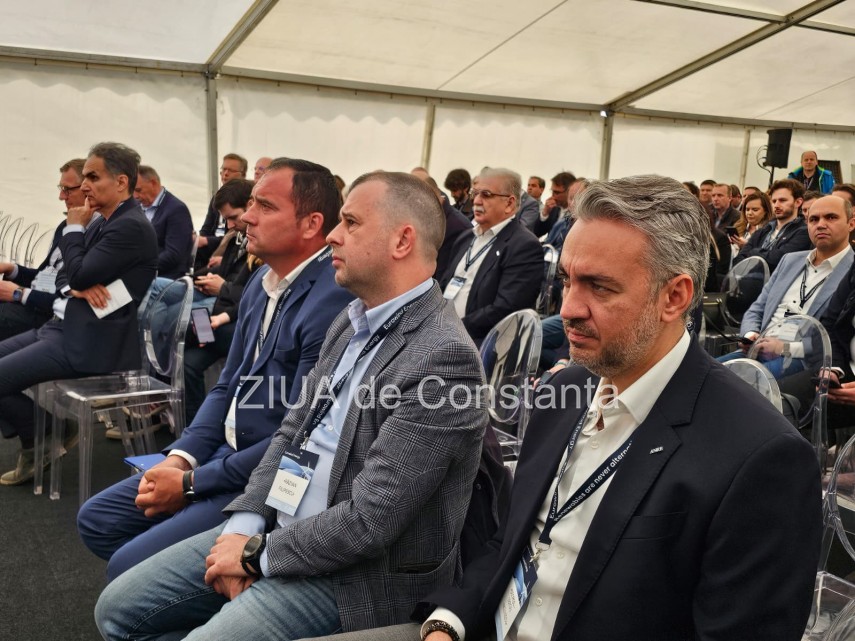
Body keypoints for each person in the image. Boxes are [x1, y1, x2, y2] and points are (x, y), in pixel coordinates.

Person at [412, 174, 821, 641]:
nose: (568, 308)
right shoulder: (563, 392)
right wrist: (448, 623)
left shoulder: (760, 458)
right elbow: (513, 543)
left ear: (674, 297)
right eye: (567, 281)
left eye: (599, 287)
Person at [95, 171, 489, 640]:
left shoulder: (444, 357)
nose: (334, 235)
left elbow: (370, 521)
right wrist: (243, 526)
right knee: (116, 609)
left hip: (355, 576)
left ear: (402, 240)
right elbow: (293, 432)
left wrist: (254, 556)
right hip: (281, 524)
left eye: (351, 222)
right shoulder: (353, 319)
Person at [78, 158, 354, 579]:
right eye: (251, 203)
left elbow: (301, 435)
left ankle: (191, 581)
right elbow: (228, 386)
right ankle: (182, 581)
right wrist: (182, 458)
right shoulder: (262, 285)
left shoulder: (332, 300)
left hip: (260, 475)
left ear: (311, 224)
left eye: (265, 206)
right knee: (97, 520)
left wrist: (193, 484)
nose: (247, 217)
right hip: (224, 453)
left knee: (126, 565)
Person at [0, 142, 158, 484]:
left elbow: (80, 273)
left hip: (90, 342)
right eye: (83, 177)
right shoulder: (104, 221)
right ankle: (44, 431)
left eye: (92, 177)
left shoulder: (128, 226)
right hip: (65, 326)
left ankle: (43, 434)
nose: (84, 186)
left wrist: (74, 232)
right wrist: (75, 285)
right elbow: (64, 275)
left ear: (121, 182)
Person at [718, 194, 854, 377]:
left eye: (831, 217)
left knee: (739, 382)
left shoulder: (851, 271)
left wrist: (785, 348)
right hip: (759, 349)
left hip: (803, 360)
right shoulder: (789, 260)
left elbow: (838, 337)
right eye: (813, 219)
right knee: (702, 373)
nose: (821, 224)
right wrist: (751, 335)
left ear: (851, 223)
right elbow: (757, 308)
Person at [438, 167, 543, 346]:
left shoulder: (524, 246)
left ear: (509, 203)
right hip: (443, 332)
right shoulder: (466, 237)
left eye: (486, 195)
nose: (477, 201)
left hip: (481, 344)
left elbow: (505, 309)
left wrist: (453, 328)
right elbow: (444, 284)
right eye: (475, 193)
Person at [0, 158, 85, 341]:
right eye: (61, 188)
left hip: (51, 320)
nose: (61, 196)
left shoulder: (97, 236)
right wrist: (12, 269)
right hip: (34, 306)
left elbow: (69, 301)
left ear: (87, 189)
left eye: (67, 189)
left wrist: (18, 293)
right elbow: (43, 277)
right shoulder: (64, 226)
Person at [733, 178, 811, 272]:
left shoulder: (804, 231)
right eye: (774, 201)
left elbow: (779, 259)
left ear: (798, 202)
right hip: (749, 279)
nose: (776, 205)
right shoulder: (763, 230)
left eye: (782, 200)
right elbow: (738, 261)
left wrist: (753, 252)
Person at [133, 165, 194, 279]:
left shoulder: (176, 210)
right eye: (132, 191)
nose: (135, 196)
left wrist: (140, 268)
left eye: (138, 190)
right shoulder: (136, 207)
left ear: (153, 183)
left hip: (167, 277)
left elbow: (173, 255)